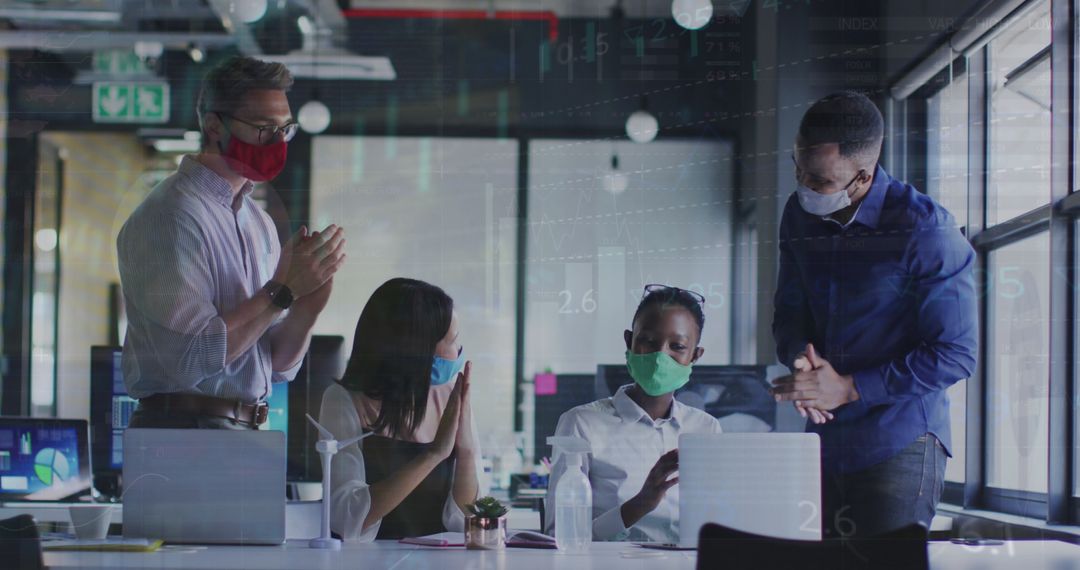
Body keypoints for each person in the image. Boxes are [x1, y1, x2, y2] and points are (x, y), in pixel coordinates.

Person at [771, 91, 977, 538]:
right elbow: (789, 310)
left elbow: (957, 353)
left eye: (820, 180)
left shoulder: (926, 230)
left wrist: (848, 387)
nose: (804, 186)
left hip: (899, 441)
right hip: (824, 441)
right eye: (798, 169)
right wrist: (802, 361)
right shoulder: (798, 216)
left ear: (863, 176)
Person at [118, 56, 346, 430]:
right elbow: (189, 357)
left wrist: (307, 306)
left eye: (285, 129)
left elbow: (273, 366)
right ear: (214, 126)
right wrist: (283, 290)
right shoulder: (171, 215)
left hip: (244, 427)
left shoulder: (258, 222)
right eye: (264, 129)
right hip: (183, 428)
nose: (278, 142)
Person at [544, 284, 722, 543]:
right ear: (629, 341)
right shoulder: (582, 424)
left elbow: (719, 521)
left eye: (677, 346)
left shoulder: (706, 428)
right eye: (648, 341)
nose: (660, 356)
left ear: (695, 355)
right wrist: (639, 505)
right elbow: (557, 535)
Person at [319, 278, 485, 541]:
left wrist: (466, 452)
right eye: (453, 341)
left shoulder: (451, 396)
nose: (459, 351)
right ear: (417, 349)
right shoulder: (344, 400)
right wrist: (433, 454)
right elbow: (347, 518)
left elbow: (467, 522)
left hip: (441, 558)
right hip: (368, 557)